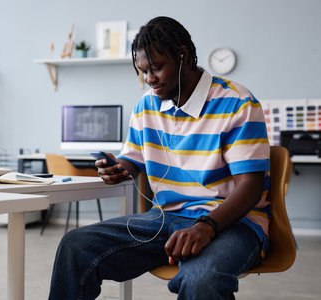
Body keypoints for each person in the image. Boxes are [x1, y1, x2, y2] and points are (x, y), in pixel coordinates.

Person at [48, 16, 270, 300]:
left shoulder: (237, 102)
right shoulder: (146, 105)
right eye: (143, 71)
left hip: (232, 222)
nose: (149, 79)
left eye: (156, 68)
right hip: (165, 219)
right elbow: (133, 159)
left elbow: (250, 188)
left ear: (183, 55)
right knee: (74, 246)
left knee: (202, 279)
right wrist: (118, 169)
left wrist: (206, 226)